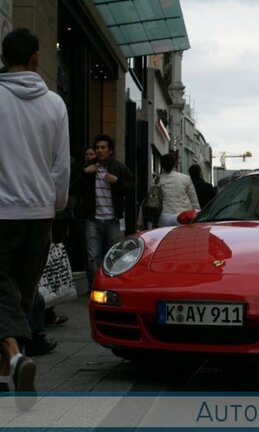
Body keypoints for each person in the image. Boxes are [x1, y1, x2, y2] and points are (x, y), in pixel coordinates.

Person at [0, 28, 70, 409]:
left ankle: (13, 357)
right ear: (35, 58)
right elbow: (61, 165)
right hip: (40, 214)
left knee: (3, 298)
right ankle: (10, 373)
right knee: (21, 298)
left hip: (2, 213)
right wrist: (54, 204)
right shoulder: (55, 104)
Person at [77, 134, 133, 292]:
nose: (100, 151)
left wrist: (117, 182)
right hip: (92, 220)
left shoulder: (118, 168)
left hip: (112, 220)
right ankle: (95, 288)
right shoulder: (88, 168)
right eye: (97, 148)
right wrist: (84, 173)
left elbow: (131, 188)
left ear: (110, 151)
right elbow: (74, 187)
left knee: (113, 257)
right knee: (93, 257)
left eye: (103, 148)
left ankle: (111, 288)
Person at [157, 154, 200, 227]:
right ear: (174, 164)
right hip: (183, 215)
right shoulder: (185, 178)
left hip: (164, 216)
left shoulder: (157, 180)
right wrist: (198, 214)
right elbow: (194, 200)